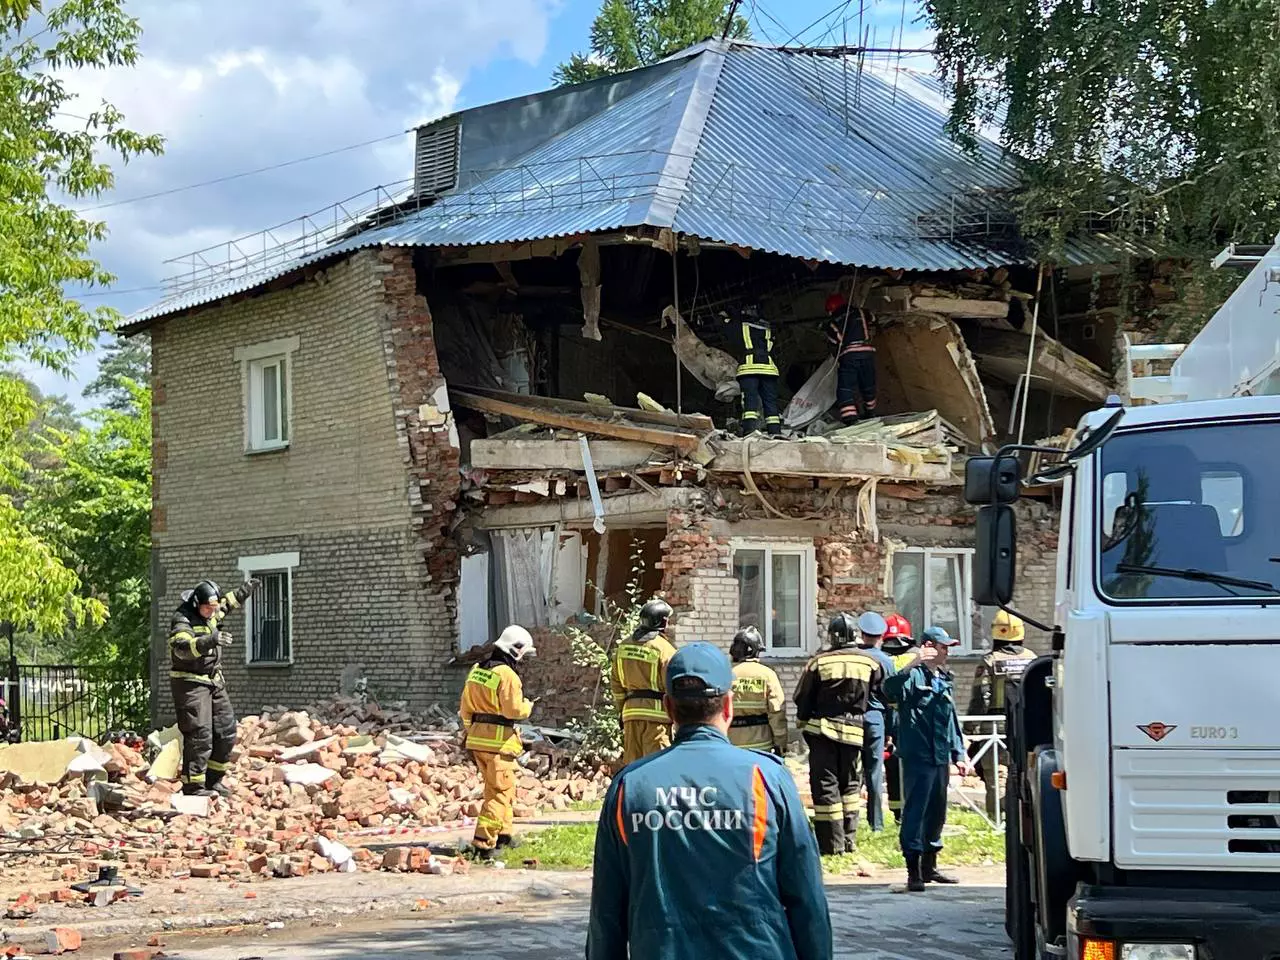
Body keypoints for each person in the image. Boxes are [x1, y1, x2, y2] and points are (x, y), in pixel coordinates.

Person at [586, 642, 832, 960]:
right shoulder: (767, 779)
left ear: (668, 708)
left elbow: (606, 914)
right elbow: (806, 898)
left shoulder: (630, 787)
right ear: (728, 706)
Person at [884, 626, 973, 892]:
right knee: (915, 811)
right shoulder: (914, 676)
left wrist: (959, 753)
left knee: (937, 813)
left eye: (947, 647)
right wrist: (914, 661)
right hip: (918, 757)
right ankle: (913, 871)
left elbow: (951, 721)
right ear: (929, 646)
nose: (946, 652)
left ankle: (930, 867)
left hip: (939, 756)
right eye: (943, 646)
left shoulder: (943, 678)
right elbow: (890, 690)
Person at [794, 613, 885, 855]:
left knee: (826, 787)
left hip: (823, 733)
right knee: (850, 786)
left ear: (832, 636)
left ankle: (830, 844)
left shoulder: (818, 663)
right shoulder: (870, 663)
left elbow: (802, 697)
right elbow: (879, 693)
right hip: (854, 735)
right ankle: (849, 839)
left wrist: (802, 723)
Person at [168, 578, 260, 797]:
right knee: (200, 734)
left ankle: (213, 781)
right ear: (196, 604)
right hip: (190, 682)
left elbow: (226, 604)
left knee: (226, 730)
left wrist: (243, 592)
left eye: (213, 608)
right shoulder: (182, 619)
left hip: (213, 680)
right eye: (207, 608)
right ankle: (193, 786)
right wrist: (210, 640)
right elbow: (182, 649)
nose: (211, 612)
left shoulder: (212, 610)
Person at [459, 624, 536, 859]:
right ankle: (484, 844)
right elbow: (513, 710)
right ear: (516, 650)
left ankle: (504, 834)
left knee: (502, 788)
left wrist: (473, 731)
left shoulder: (477, 669)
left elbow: (465, 708)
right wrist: (528, 707)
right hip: (499, 744)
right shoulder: (508, 675)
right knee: (499, 793)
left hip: (477, 741)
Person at [968, 610, 1036, 820]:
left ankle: (997, 819)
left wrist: (969, 729)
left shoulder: (990, 661)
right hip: (1025, 724)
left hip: (995, 724)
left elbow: (981, 697)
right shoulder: (1032, 659)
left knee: (997, 774)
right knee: (1025, 772)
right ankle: (1023, 819)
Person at [610, 598, 678, 765]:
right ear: (663, 622)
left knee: (633, 767)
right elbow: (672, 688)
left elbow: (616, 684)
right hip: (658, 718)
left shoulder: (623, 646)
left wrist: (622, 710)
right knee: (657, 767)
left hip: (630, 715)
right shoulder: (666, 650)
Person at [854, 611, 896, 833]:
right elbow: (891, 698)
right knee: (874, 772)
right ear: (882, 637)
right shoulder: (886, 661)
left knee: (851, 771)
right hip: (876, 720)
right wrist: (891, 730)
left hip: (851, 720)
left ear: (862, 634)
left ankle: (850, 820)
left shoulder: (853, 657)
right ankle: (876, 823)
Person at [724, 301, 782, 436]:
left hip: (749, 368)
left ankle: (750, 430)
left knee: (750, 401)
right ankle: (775, 431)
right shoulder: (767, 326)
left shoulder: (741, 326)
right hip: (769, 369)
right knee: (770, 402)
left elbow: (727, 331)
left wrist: (726, 316)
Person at [728, 626, 788, 754]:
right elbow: (777, 712)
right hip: (761, 746)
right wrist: (780, 744)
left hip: (731, 745)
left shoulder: (725, 675)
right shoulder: (767, 675)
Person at [880, 613, 915, 824]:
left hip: (887, 719)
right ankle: (910, 807)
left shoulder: (882, 660)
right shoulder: (916, 657)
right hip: (912, 720)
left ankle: (897, 813)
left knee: (891, 765)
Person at [824, 292, 878, 425]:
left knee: (845, 387)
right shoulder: (860, 312)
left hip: (849, 356)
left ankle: (850, 418)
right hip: (867, 353)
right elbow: (873, 318)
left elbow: (833, 343)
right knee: (868, 385)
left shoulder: (832, 323)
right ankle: (870, 412)